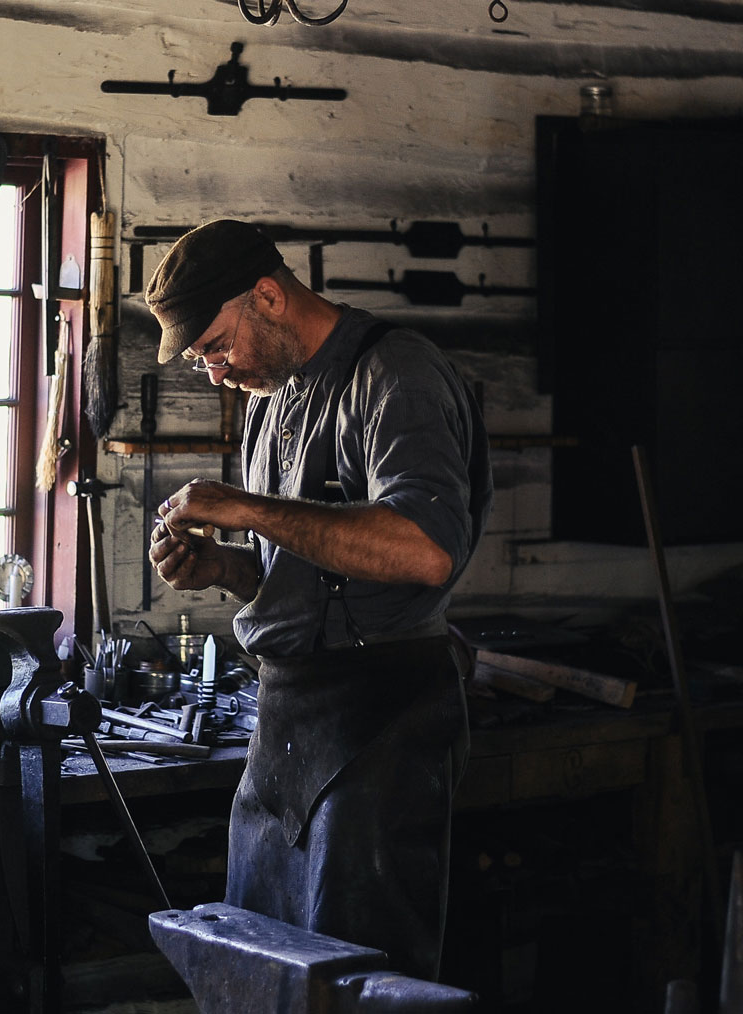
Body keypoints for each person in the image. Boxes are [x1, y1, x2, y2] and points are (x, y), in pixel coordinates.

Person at [144, 219, 492, 981]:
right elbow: (305, 571)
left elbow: (424, 550)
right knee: (262, 967)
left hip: (381, 720)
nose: (213, 373)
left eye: (214, 346)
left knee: (356, 978)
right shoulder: (272, 400)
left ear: (267, 295)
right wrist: (224, 566)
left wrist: (249, 507)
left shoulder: (394, 374)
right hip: (289, 723)